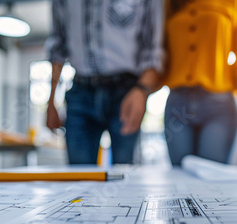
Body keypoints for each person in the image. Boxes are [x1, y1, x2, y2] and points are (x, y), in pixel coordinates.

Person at [45, 0, 164, 164]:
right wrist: (51, 101)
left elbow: (152, 49)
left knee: (125, 173)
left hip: (127, 93)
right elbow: (58, 44)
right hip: (80, 91)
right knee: (79, 177)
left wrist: (142, 91)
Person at [163, 0, 237, 165]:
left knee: (211, 177)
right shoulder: (168, 3)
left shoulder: (236, 3)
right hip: (177, 105)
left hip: (218, 106)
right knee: (180, 178)